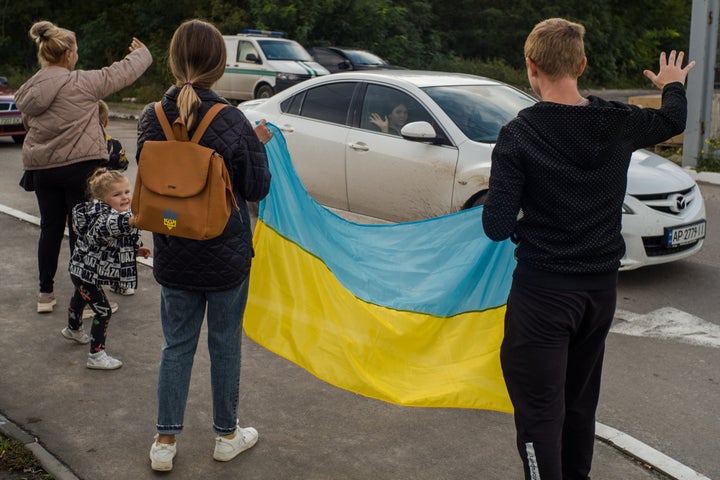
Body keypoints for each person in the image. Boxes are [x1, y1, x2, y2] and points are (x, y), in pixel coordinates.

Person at [481, 18, 695, 480]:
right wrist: (673, 85)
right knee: (579, 405)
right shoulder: (616, 121)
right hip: (599, 293)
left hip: (542, 296)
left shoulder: (518, 135)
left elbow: (495, 227)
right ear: (581, 64)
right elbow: (673, 120)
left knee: (540, 414)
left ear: (531, 66)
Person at [137, 19, 271, 472]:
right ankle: (226, 434)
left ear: (174, 61)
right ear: (221, 64)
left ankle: (164, 442)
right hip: (225, 254)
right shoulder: (232, 120)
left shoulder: (150, 118)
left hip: (173, 249)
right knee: (225, 344)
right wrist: (257, 146)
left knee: (175, 346)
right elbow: (255, 188)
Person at [15, 21, 152, 314]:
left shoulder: (30, 89)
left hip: (43, 171)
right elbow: (120, 73)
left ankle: (45, 294)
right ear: (68, 55)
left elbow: (29, 122)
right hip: (80, 170)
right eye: (75, 50)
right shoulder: (83, 83)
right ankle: (86, 301)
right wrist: (141, 54)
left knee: (49, 229)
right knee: (84, 234)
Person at [63, 168, 151, 370]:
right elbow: (108, 227)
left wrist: (135, 250)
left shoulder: (110, 211)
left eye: (127, 192)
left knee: (81, 297)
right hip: (85, 272)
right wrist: (133, 220)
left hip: (82, 270)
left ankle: (73, 329)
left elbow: (110, 242)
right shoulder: (103, 216)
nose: (125, 197)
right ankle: (96, 355)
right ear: (101, 198)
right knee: (103, 311)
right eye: (117, 194)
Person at [98, 100, 129, 172]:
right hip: (110, 181)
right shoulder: (116, 145)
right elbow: (123, 165)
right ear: (105, 123)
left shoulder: (78, 143)